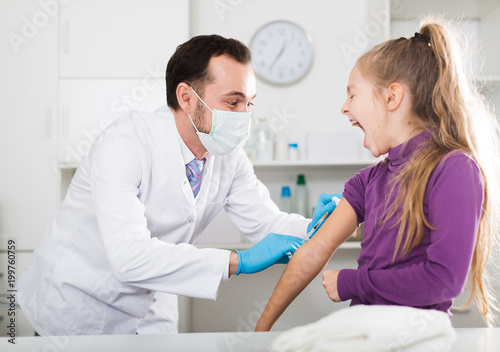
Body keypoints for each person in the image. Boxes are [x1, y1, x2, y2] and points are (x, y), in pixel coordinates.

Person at [18, 35, 339, 335]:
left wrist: (320, 226)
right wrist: (237, 262)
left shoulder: (229, 157)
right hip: (76, 301)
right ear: (186, 97)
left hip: (151, 305)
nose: (244, 116)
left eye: (249, 104)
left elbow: (269, 225)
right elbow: (130, 257)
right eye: (232, 102)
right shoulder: (125, 144)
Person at [255, 20, 500, 331]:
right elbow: (313, 252)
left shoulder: (454, 169)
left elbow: (442, 281)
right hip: (366, 332)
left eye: (352, 95)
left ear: (391, 97)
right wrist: (259, 332)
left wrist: (354, 282)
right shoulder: (368, 181)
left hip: (417, 338)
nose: (344, 108)